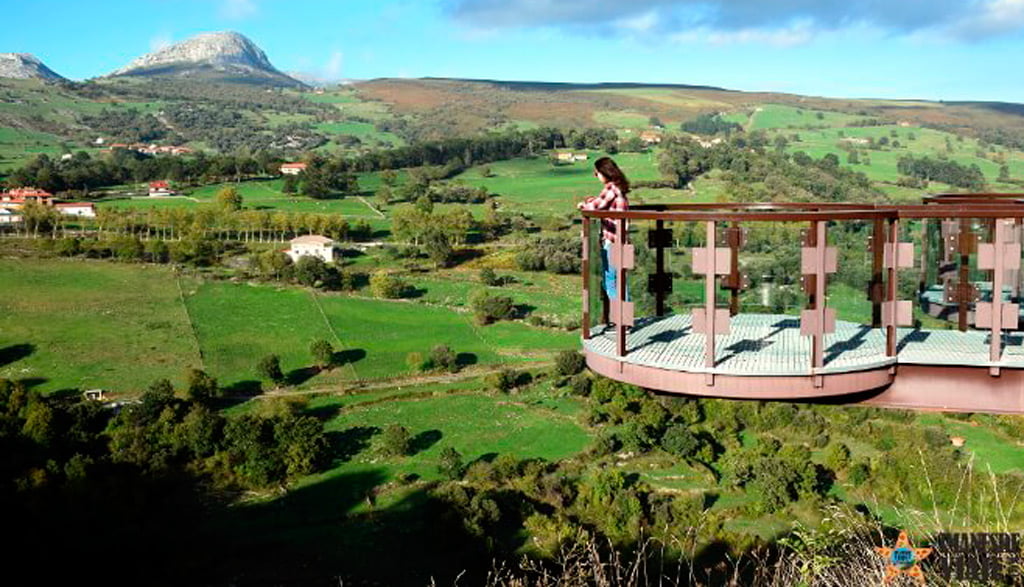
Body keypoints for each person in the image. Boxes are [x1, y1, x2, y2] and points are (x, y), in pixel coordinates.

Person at [577, 156, 630, 307]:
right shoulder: (620, 187)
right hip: (623, 240)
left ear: (604, 172)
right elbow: (603, 203)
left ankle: (620, 321)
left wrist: (583, 205)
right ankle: (625, 320)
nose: (596, 176)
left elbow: (594, 207)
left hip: (613, 241)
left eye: (596, 173)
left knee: (610, 282)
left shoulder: (611, 188)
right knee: (621, 281)